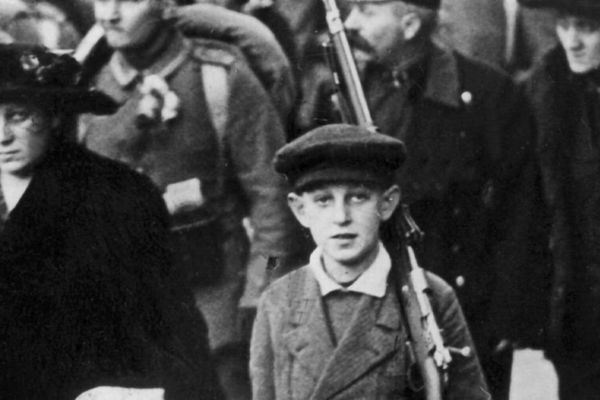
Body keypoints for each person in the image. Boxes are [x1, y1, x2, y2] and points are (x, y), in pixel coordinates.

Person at [313, 1, 542, 399]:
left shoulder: (489, 95)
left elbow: (520, 213)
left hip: (464, 311)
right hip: (367, 310)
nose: (351, 24)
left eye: (367, 11)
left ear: (410, 23)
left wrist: (508, 315)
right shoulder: (343, 93)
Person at [79, 0, 303, 398]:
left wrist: (261, 293)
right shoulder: (88, 89)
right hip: (119, 314)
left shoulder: (220, 77)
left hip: (216, 309)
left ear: (166, 5)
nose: (108, 13)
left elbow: (272, 198)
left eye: (127, 1)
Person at [0, 43, 223, 400]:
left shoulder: (117, 196)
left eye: (18, 115)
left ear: (56, 116)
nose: (2, 136)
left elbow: (171, 321)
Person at [250, 123, 488, 400]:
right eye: (324, 200)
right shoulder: (279, 302)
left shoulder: (428, 298)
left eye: (358, 197)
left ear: (386, 204)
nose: (341, 216)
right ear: (300, 210)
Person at [521, 0, 600, 398]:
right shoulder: (543, 91)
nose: (572, 40)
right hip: (579, 306)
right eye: (564, 25)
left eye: (585, 27)